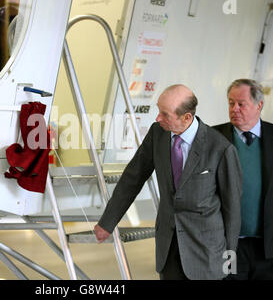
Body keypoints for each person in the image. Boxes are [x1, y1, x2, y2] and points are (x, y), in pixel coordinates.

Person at [94, 84, 242, 280]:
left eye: (165, 114)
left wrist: (229, 260)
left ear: (187, 117)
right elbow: (133, 177)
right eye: (158, 111)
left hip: (207, 253)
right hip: (168, 247)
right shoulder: (158, 134)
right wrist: (108, 222)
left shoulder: (221, 149)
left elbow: (232, 208)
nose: (157, 118)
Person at [214, 79, 273, 280]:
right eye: (230, 103)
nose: (234, 109)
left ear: (259, 105)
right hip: (229, 245)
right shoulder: (214, 137)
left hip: (272, 244)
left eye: (241, 104)